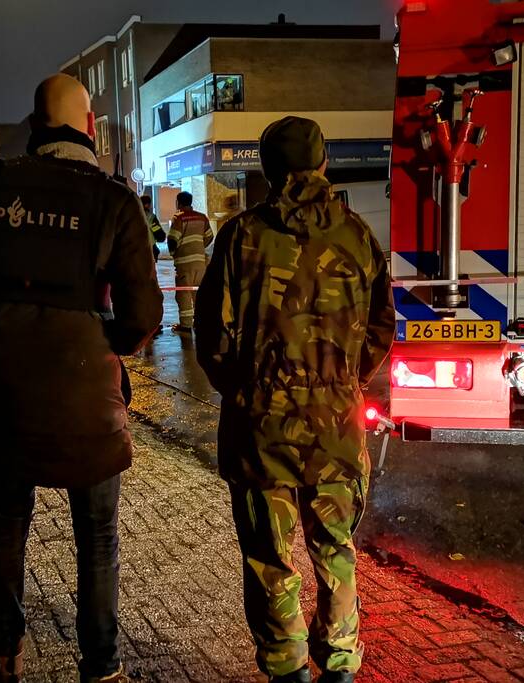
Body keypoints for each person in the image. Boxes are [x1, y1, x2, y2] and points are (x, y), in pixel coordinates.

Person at [0, 73, 162, 683]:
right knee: (98, 538)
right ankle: (102, 667)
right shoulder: (114, 199)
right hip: (90, 396)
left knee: (7, 522)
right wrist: (101, 339)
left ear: (35, 128)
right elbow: (143, 318)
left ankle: (4, 656)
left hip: (12, 392)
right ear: (90, 128)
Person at [194, 117, 395, 683]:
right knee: (335, 551)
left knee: (271, 561)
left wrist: (243, 390)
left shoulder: (240, 235)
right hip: (336, 428)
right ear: (324, 163)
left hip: (263, 432)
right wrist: (344, 379)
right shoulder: (358, 236)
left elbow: (211, 333)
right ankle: (340, 665)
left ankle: (287, 670)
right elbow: (382, 325)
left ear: (267, 168)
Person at [166, 191, 214, 334]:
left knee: (184, 294)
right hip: (200, 262)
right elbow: (209, 237)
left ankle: (186, 325)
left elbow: (172, 239)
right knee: (199, 293)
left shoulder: (178, 218)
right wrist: (199, 248)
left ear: (178, 203)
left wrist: (174, 253)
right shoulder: (202, 217)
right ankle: (200, 322)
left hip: (184, 263)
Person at [140, 194, 166, 262]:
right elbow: (158, 232)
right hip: (149, 248)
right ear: (147, 205)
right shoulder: (151, 217)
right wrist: (162, 238)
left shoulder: (133, 217)